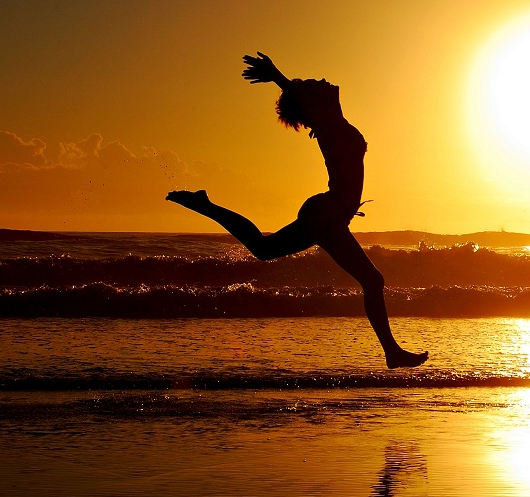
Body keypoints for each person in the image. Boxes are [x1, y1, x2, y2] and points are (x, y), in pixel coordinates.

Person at [166, 52, 428, 369]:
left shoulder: (333, 123)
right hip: (326, 215)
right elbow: (305, 100)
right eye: (312, 86)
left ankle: (205, 205)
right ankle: (391, 353)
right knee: (367, 280)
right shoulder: (328, 124)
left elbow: (311, 101)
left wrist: (291, 87)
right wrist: (277, 75)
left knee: (274, 252)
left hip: (329, 214)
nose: (322, 81)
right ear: (310, 104)